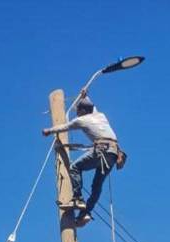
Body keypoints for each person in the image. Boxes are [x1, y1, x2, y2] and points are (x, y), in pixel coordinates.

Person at [42, 89, 120, 227]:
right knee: (96, 186)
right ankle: (86, 213)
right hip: (113, 154)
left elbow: (65, 126)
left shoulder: (81, 120)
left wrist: (49, 131)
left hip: (102, 151)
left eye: (78, 109)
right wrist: (85, 96)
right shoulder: (101, 115)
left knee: (75, 167)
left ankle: (77, 199)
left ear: (83, 111)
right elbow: (92, 107)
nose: (76, 112)